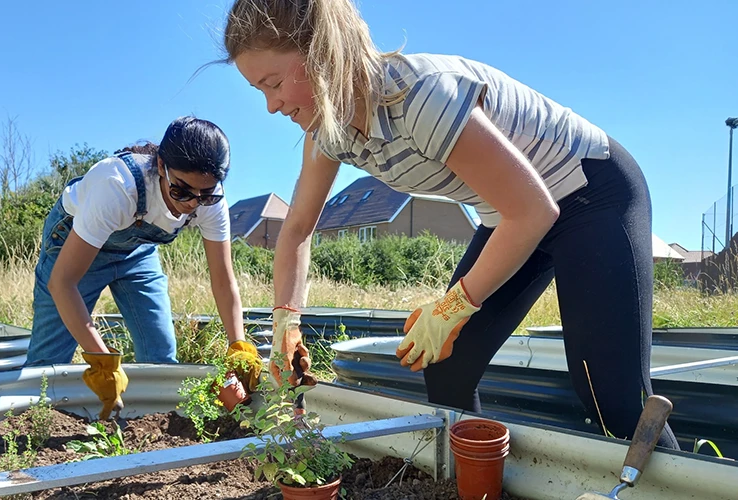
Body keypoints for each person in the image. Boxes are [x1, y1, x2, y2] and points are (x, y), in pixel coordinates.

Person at [221, 0, 679, 448]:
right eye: (259, 90)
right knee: (445, 360)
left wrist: (452, 307)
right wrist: (286, 321)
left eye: (274, 83)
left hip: (589, 191)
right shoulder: (328, 132)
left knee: (611, 396)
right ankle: (476, 476)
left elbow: (535, 211)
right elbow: (298, 229)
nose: (271, 106)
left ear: (322, 53)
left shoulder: (422, 98)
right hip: (513, 215)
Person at [24, 116, 262, 420]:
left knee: (160, 356)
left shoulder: (210, 200)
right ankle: (32, 431)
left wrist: (237, 343)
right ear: (161, 166)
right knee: (46, 368)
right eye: (182, 191)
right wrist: (102, 362)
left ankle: (158, 434)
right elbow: (62, 283)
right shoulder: (116, 187)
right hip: (73, 246)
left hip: (136, 253)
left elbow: (223, 280)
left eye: (205, 194)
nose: (192, 204)